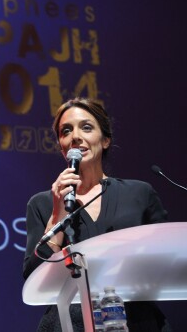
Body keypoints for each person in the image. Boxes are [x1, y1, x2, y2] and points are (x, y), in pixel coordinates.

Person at [22, 97, 172, 332]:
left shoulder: (139, 193)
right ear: (62, 146)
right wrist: (58, 214)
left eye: (87, 127)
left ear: (105, 140)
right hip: (70, 323)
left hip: (137, 320)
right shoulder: (42, 204)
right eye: (66, 131)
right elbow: (34, 278)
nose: (75, 136)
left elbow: (168, 257)